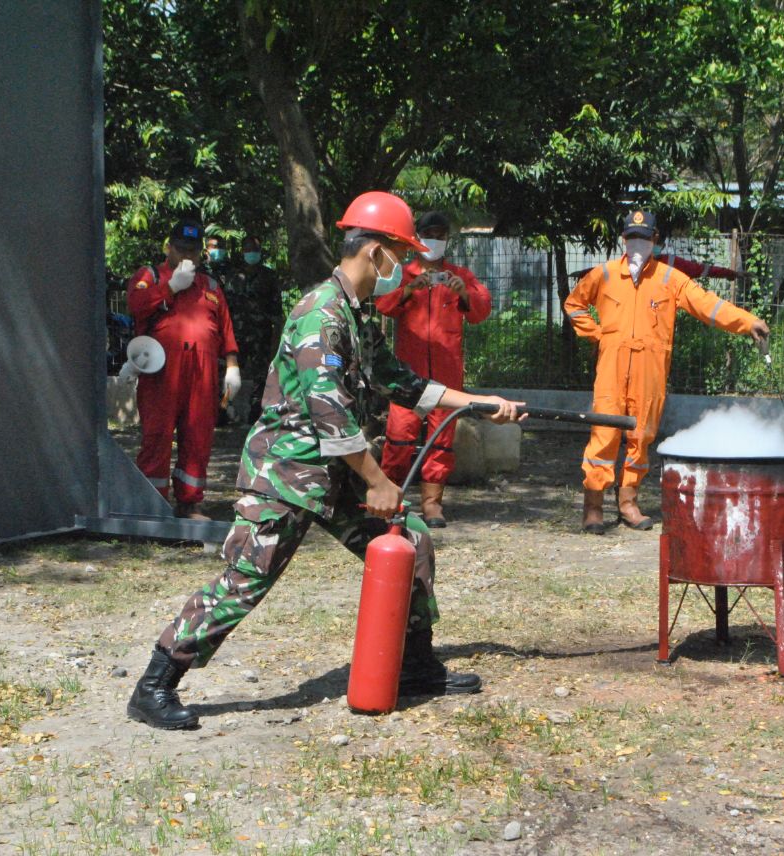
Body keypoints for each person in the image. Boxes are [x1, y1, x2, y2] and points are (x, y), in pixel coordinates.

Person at [126, 191, 525, 731]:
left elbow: (402, 382)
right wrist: (378, 481)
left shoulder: (356, 315)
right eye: (400, 255)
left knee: (410, 541)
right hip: (287, 473)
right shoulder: (321, 314)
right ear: (375, 252)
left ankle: (414, 667)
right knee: (247, 577)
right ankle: (154, 685)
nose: (404, 267)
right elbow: (328, 413)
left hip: (334, 472)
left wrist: (477, 403)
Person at [564, 210, 769, 534]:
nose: (638, 243)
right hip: (611, 369)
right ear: (624, 239)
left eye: (644, 237)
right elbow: (574, 304)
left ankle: (628, 502)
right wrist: (597, 335)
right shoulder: (603, 275)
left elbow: (707, 304)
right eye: (632, 237)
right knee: (603, 434)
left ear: (655, 239)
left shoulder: (670, 278)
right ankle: (593, 507)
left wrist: (747, 322)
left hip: (650, 372)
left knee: (641, 436)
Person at [373, 211, 492, 527]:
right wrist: (410, 290)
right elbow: (383, 304)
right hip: (407, 373)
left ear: (447, 240)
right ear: (417, 238)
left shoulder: (460, 275)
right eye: (429, 235)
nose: (434, 241)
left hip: (446, 371)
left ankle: (432, 504)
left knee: (441, 439)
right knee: (399, 437)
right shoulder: (403, 274)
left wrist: (463, 293)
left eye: (440, 236)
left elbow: (481, 310)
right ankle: (390, 502)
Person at [126, 220, 240, 521]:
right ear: (169, 248)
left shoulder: (210, 287)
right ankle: (151, 504)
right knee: (157, 436)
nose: (187, 256)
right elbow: (136, 305)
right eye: (180, 249)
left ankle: (190, 504)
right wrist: (170, 287)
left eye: (193, 251)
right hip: (162, 371)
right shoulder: (150, 276)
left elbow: (225, 329)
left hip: (202, 373)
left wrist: (232, 366)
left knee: (198, 437)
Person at [223, 234, 284, 425]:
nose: (251, 253)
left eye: (255, 250)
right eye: (248, 249)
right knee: (230, 373)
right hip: (236, 335)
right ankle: (223, 409)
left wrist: (276, 339)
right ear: (242, 252)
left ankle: (256, 413)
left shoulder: (269, 277)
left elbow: (277, 311)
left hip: (261, 335)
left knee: (261, 376)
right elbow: (225, 308)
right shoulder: (233, 276)